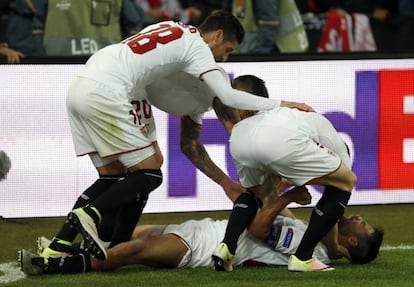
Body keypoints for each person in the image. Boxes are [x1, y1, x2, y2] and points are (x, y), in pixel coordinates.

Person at [44, 11, 313, 263]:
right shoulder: (203, 57)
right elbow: (230, 102)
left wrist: (225, 184)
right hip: (113, 89)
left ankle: (59, 246)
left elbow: (189, 145)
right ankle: (90, 214)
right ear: (217, 35)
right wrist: (283, 104)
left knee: (117, 176)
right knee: (150, 174)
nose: (224, 59)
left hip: (88, 82)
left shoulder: (176, 35)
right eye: (227, 50)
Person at [18, 184, 383, 275]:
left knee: (132, 251)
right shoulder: (312, 239)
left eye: (360, 224)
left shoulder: (312, 249)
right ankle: (64, 250)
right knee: (125, 236)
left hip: (203, 248)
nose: (354, 217)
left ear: (350, 241)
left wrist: (286, 195)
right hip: (209, 230)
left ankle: (54, 265)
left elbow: (257, 228)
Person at [211, 74, 358, 272]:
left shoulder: (274, 113)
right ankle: (303, 258)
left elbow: (271, 189)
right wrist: (333, 246)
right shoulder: (341, 155)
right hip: (283, 139)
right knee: (347, 181)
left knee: (254, 194)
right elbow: (334, 190)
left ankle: (227, 246)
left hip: (239, 140)